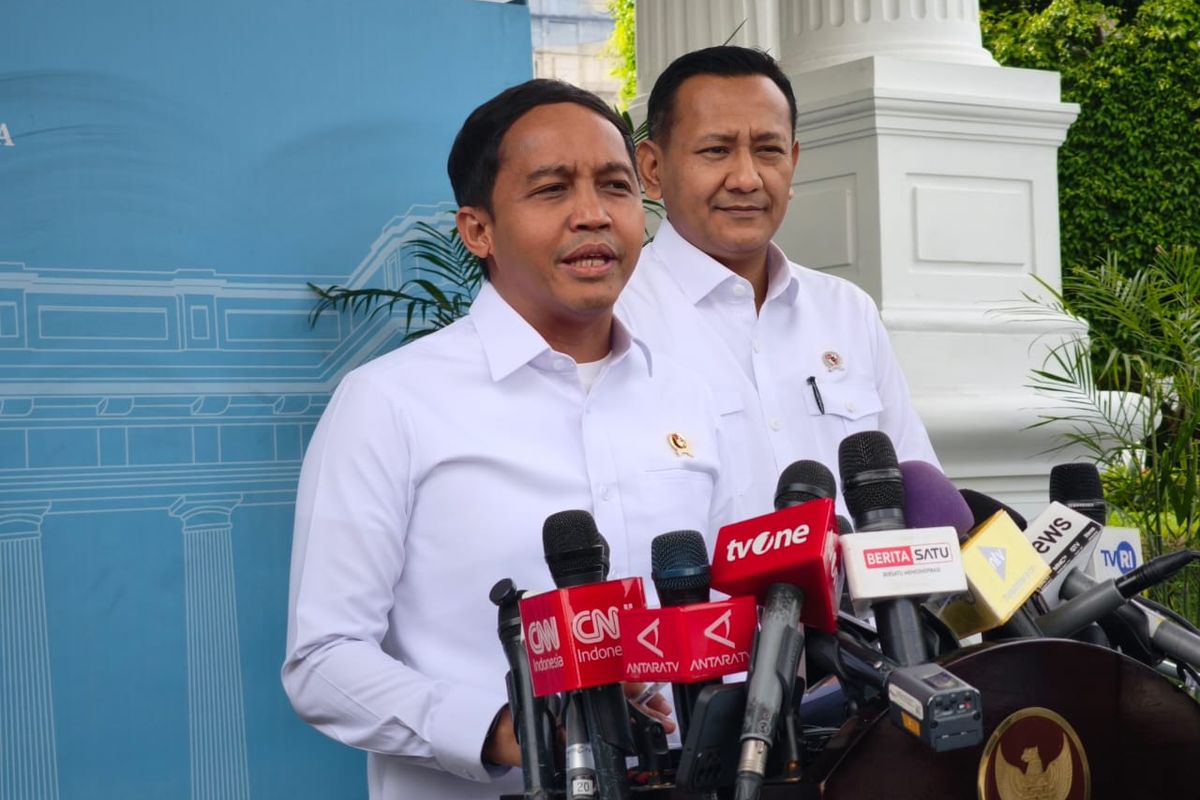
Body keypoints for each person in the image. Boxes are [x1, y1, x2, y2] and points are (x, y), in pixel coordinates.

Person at [282, 79, 733, 800]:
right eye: (552, 190)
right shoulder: (389, 403)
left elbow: (724, 608)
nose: (593, 214)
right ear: (478, 231)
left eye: (615, 187)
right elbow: (323, 660)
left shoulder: (687, 395)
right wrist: (504, 729)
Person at [618, 46, 940, 520]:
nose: (747, 179)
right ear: (651, 169)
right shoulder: (614, 320)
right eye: (716, 150)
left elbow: (920, 488)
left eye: (768, 150)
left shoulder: (847, 311)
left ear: (793, 161)